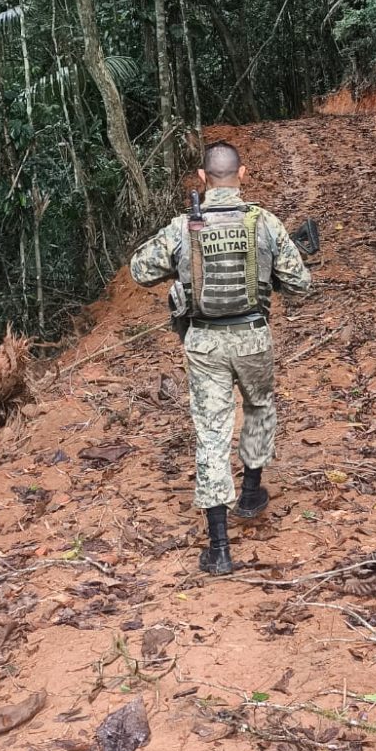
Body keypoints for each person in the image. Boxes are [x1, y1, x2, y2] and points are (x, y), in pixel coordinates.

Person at [129, 141, 313, 575]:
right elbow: (300, 283)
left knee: (211, 433)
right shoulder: (263, 222)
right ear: (242, 174)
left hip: (204, 343)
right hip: (253, 338)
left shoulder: (184, 226)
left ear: (202, 177)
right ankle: (250, 495)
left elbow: (140, 270)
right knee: (259, 407)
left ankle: (219, 549)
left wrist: (184, 264)